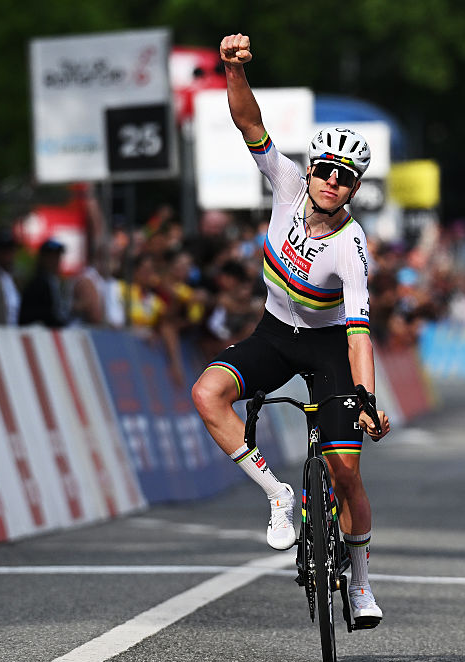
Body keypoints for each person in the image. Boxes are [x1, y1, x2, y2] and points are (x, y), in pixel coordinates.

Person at [192, 33, 391, 628]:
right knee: (208, 393)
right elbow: (246, 120)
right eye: (326, 170)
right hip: (276, 333)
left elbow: (359, 334)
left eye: (345, 178)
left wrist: (366, 398)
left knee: (346, 470)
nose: (332, 182)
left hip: (331, 346)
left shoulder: (352, 248)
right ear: (312, 171)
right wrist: (232, 69)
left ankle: (360, 584)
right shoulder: (284, 182)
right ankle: (279, 493)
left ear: (356, 190)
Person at [18, 239, 69, 328]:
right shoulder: (38, 283)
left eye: (57, 256)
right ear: (43, 258)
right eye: (51, 257)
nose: (55, 261)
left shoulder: (55, 281)